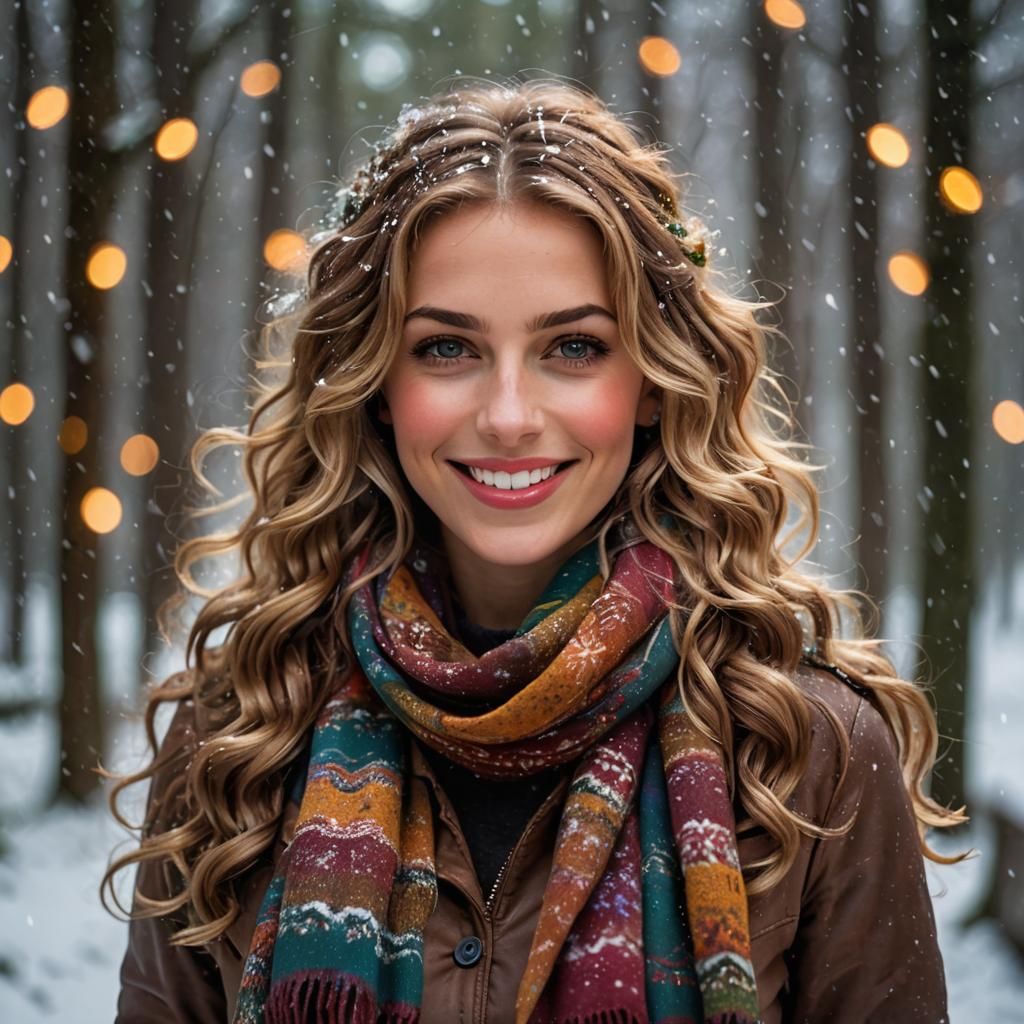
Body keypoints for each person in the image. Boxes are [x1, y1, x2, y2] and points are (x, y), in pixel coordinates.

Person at [103, 78, 968, 1024]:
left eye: (574, 348)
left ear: (652, 379)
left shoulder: (808, 750)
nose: (509, 415)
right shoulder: (242, 728)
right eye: (445, 349)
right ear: (373, 384)